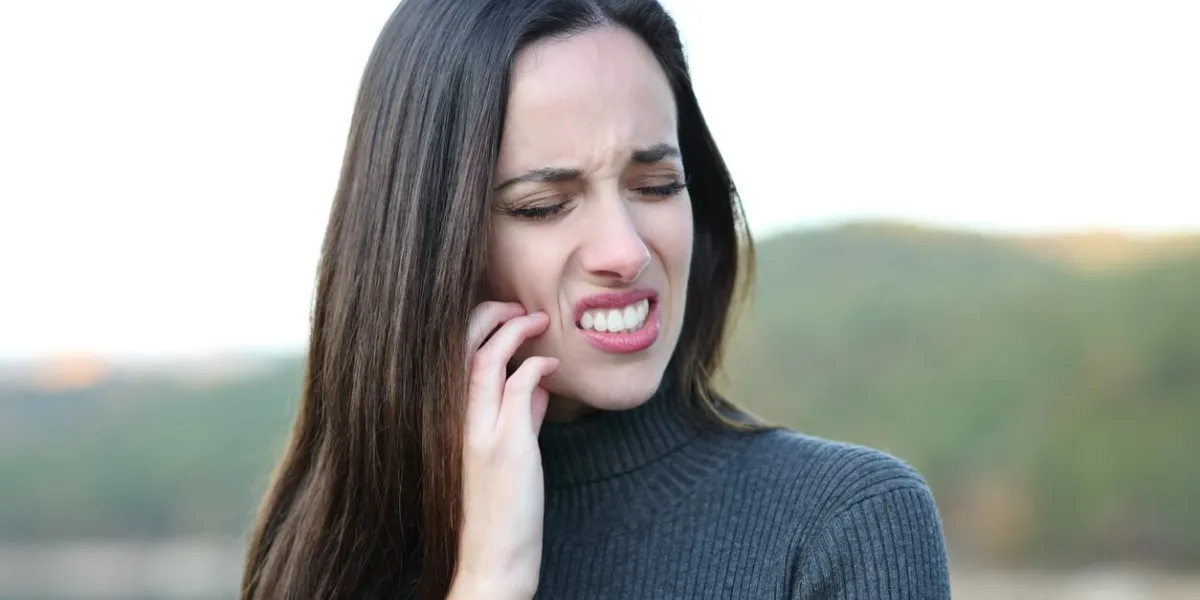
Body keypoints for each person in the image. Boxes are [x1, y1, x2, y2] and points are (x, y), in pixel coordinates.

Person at [240, 0, 952, 598]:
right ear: (430, 245)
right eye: (545, 203)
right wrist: (492, 577)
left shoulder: (846, 525)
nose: (627, 251)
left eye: (656, 187)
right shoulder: (333, 556)